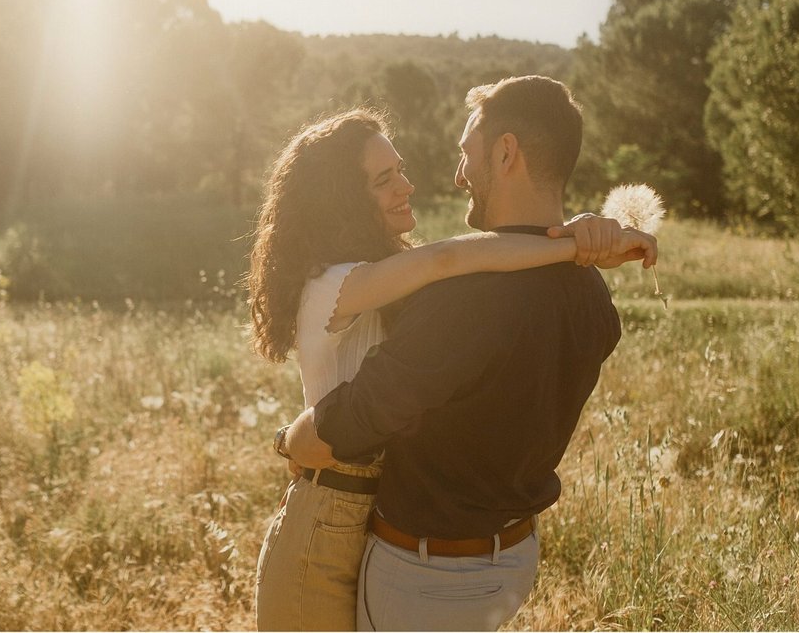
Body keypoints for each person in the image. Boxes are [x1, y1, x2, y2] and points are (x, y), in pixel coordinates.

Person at [247, 104, 654, 630]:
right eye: (384, 179)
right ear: (345, 201)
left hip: (371, 514)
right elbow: (454, 261)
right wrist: (574, 244)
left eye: (401, 170)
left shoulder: (391, 273)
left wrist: (574, 235)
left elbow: (478, 261)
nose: (407, 187)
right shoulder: (336, 282)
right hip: (327, 513)